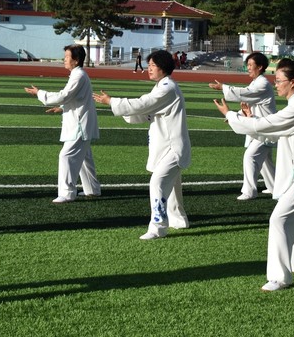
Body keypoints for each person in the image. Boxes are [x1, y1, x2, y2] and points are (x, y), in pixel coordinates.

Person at [214, 58, 294, 291]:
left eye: (280, 81)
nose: (276, 85)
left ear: (293, 82)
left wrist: (231, 116)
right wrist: (249, 119)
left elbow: (263, 127)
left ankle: (280, 277)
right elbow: (272, 132)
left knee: (279, 221)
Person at [94, 49, 190, 239]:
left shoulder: (167, 88)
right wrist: (120, 110)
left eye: (153, 66)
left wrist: (112, 101)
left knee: (158, 183)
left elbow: (143, 103)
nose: (149, 69)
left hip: (173, 147)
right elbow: (146, 112)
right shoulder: (161, 86)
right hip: (166, 145)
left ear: (163, 67)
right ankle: (179, 220)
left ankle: (158, 227)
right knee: (172, 187)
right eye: (149, 66)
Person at [24, 44, 102, 203]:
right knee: (84, 158)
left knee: (66, 155)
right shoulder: (78, 74)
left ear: (76, 60)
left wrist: (39, 93)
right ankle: (92, 189)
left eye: (67, 57)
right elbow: (74, 98)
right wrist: (61, 107)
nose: (64, 60)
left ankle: (67, 193)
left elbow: (64, 95)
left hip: (80, 124)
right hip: (81, 122)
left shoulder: (78, 75)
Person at [208, 52, 275, 200]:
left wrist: (223, 87)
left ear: (260, 67)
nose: (248, 68)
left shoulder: (262, 83)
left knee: (250, 156)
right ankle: (275, 187)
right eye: (248, 65)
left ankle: (249, 191)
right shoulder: (257, 82)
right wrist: (235, 115)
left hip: (264, 128)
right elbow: (249, 103)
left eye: (251, 65)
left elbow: (246, 94)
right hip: (258, 126)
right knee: (264, 160)